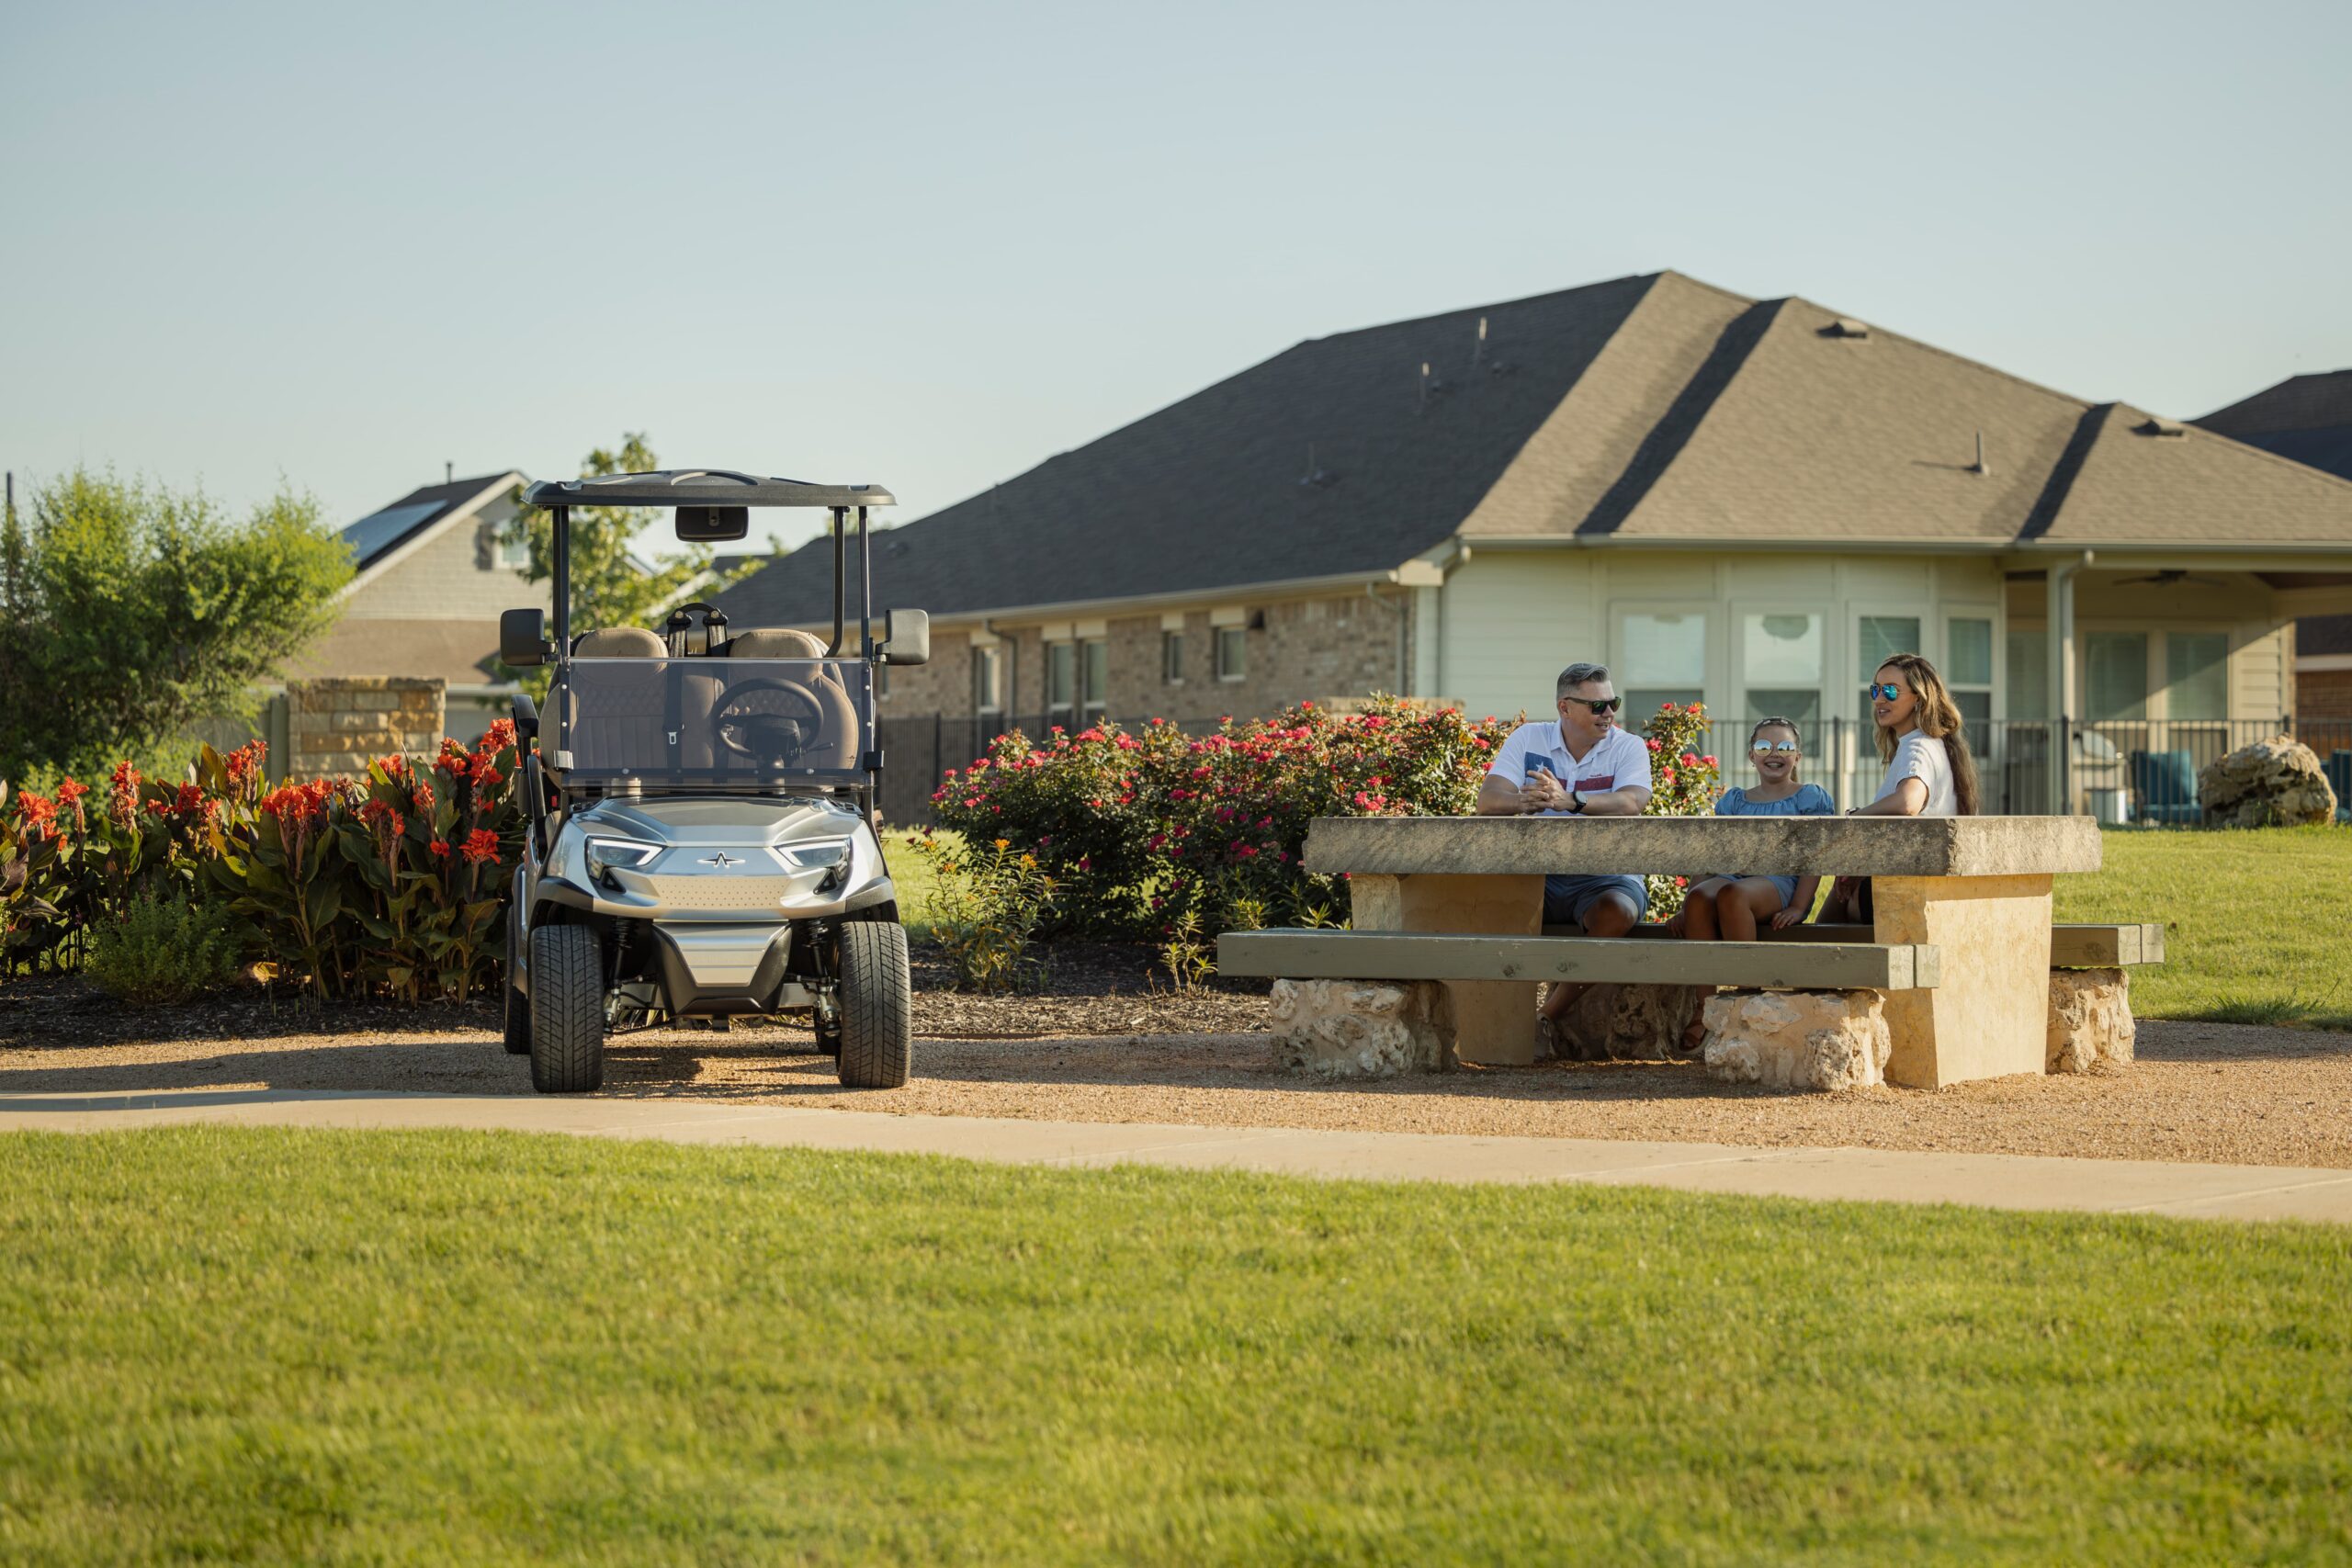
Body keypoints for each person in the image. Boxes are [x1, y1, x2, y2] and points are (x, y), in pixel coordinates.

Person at [1476, 661, 1653, 1024]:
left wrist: (1572, 801)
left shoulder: (1629, 746)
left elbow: (1632, 802)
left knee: (1618, 911)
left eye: (1612, 702)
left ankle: (1544, 1018)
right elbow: (1488, 801)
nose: (1609, 713)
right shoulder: (1528, 738)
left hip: (1604, 874)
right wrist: (1522, 802)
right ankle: (1492, 1025)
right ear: (1565, 708)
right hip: (1537, 872)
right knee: (1484, 909)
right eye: (1597, 705)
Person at [1668, 715, 1837, 1050]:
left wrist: (1800, 906)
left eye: (1785, 746)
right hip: (1735, 876)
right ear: (1751, 756)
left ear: (1797, 758)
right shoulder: (1734, 801)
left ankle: (1748, 999)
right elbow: (1712, 858)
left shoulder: (1809, 798)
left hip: (1777, 882)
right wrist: (1686, 906)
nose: (1774, 753)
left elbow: (1817, 857)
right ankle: (1705, 1008)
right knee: (1703, 896)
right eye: (1764, 746)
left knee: (1733, 894)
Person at [1820, 651, 1981, 923]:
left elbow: (1908, 802)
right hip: (1923, 884)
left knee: (1823, 932)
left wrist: (1854, 816)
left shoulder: (1918, 747)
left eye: (1891, 691)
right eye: (1875, 690)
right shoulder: (1933, 745)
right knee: (1826, 925)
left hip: (1905, 889)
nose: (1879, 699)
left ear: (1918, 698)